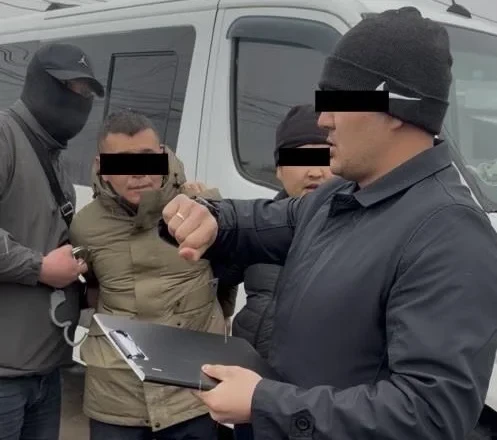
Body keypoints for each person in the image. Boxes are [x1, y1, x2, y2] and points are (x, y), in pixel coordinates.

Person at [158, 7, 497, 440]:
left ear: (396, 108)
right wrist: (209, 217)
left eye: (338, 99)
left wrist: (266, 403)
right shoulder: (339, 196)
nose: (323, 120)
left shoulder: (448, 234)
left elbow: (430, 414)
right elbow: (259, 222)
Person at [69, 109, 237, 440]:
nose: (138, 173)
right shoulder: (84, 227)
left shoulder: (202, 208)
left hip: (191, 392)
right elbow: (91, 290)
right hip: (116, 397)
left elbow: (228, 278)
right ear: (102, 167)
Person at [0, 42, 103, 440]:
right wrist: (40, 267)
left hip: (45, 374)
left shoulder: (53, 157)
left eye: (87, 93)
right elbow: (43, 263)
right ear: (41, 83)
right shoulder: (6, 137)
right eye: (72, 88)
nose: (80, 100)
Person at [226, 104, 333, 440]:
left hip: (318, 408)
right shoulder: (253, 228)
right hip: (253, 396)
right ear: (279, 169)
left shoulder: (361, 232)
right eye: (300, 158)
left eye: (325, 157)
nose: (315, 171)